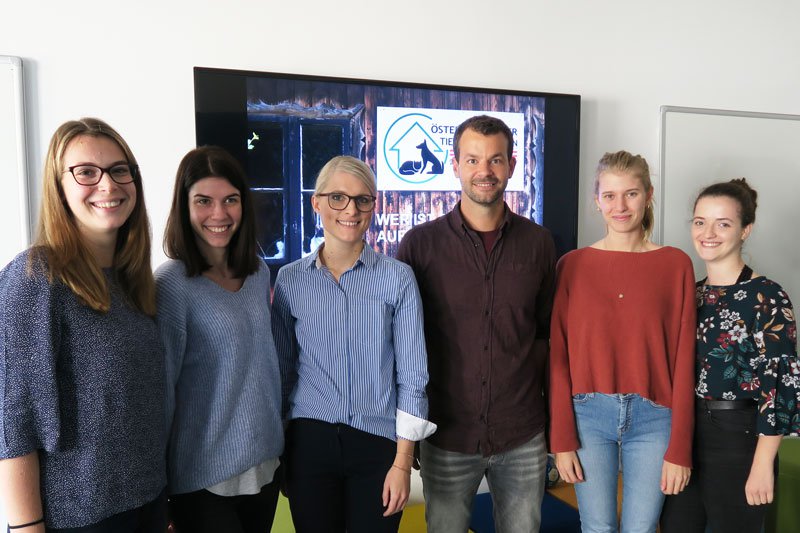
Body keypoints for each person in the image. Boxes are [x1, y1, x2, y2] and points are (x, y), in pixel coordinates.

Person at [0, 118, 167, 532]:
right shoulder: (36, 277)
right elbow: (12, 424)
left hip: (147, 505)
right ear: (59, 187)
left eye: (119, 170)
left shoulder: (133, 282)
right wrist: (27, 528)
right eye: (86, 173)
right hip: (80, 519)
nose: (108, 185)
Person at [396, 115, 556, 533]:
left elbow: (544, 333)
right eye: (472, 159)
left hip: (521, 435)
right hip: (447, 435)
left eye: (495, 160)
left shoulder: (539, 243)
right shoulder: (419, 245)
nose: (484, 171)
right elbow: (401, 343)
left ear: (512, 165)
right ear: (455, 165)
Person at [272, 155, 436, 533]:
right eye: (338, 198)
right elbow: (280, 375)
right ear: (317, 203)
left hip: (378, 448)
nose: (351, 209)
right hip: (308, 444)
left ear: (373, 207)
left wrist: (401, 463)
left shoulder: (399, 279)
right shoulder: (290, 281)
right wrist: (281, 456)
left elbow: (413, 377)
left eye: (363, 200)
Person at [548, 150, 696, 532]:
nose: (620, 205)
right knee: (596, 527)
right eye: (610, 195)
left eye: (630, 194)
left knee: (642, 528)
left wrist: (681, 447)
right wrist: (561, 439)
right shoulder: (572, 265)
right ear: (597, 201)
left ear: (648, 195)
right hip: (587, 417)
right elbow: (558, 356)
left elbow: (684, 361)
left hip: (655, 418)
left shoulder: (675, 264)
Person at [155, 146, 284, 533]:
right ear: (184, 207)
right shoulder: (172, 285)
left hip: (265, 467)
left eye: (230, 200)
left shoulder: (258, 272)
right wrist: (159, 497)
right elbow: (162, 394)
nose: (219, 214)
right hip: (202, 480)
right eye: (204, 201)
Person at [660, 179, 799, 533]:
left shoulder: (767, 297)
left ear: (745, 230)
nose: (708, 232)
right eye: (700, 221)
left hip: (740, 439)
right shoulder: (690, 295)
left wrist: (763, 464)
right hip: (686, 436)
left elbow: (780, 386)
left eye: (723, 223)